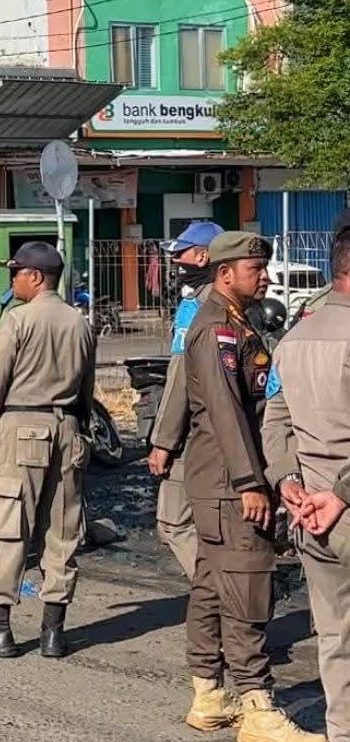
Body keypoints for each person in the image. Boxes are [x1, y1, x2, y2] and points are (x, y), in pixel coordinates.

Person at [179, 231, 328, 742]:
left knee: (212, 583)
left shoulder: (238, 321)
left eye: (263, 267)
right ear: (224, 274)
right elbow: (225, 411)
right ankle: (258, 706)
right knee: (248, 587)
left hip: (219, 478)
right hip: (229, 481)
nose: (264, 275)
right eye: (254, 268)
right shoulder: (217, 329)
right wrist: (250, 482)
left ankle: (209, 693)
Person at [0, 242, 95, 659]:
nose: (11, 279)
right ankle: (53, 632)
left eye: (16, 272)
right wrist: (76, 428)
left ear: (36, 277)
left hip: (21, 427)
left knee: (9, 526)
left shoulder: (17, 321)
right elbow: (86, 389)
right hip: (68, 429)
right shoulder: (79, 323)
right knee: (63, 531)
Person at [262, 229, 350, 742]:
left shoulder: (293, 341)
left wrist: (290, 484)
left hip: (312, 517)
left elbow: (275, 422)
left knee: (337, 635)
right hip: (338, 502)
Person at [147, 221, 225, 578]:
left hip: (195, 434)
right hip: (232, 437)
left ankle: (222, 593)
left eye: (182, 253)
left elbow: (180, 378)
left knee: (173, 520)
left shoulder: (196, 308)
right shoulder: (236, 304)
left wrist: (163, 442)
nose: (175, 260)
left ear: (204, 256)